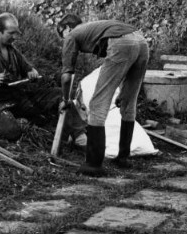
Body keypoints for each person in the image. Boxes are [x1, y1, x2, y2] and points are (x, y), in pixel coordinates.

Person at [0, 12, 86, 142]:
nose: (15, 37)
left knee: (60, 94)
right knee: (13, 132)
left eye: (16, 33)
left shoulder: (12, 51)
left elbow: (29, 69)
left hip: (18, 98)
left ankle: (79, 136)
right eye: (11, 33)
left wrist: (32, 72)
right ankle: (25, 122)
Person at [57, 14, 148, 176]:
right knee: (128, 101)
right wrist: (122, 88)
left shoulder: (71, 35)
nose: (62, 38)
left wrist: (66, 99)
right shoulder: (94, 28)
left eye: (60, 33)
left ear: (66, 28)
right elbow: (123, 60)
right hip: (141, 41)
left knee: (97, 104)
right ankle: (123, 158)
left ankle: (93, 164)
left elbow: (67, 75)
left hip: (122, 43)